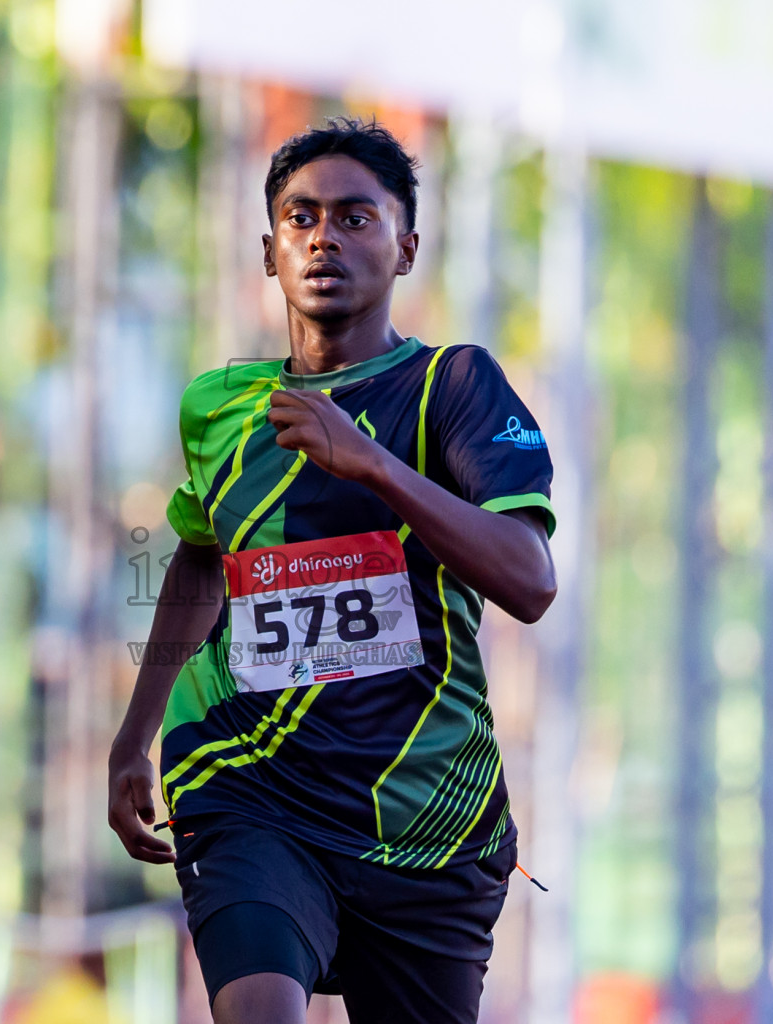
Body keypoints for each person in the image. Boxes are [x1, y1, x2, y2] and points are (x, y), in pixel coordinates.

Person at [107, 117, 558, 1024]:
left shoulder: (453, 388)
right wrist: (136, 733)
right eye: (300, 217)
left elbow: (531, 580)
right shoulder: (219, 406)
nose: (324, 237)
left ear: (405, 248)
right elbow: (201, 564)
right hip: (251, 784)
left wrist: (376, 467)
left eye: (357, 218)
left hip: (425, 815)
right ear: (269, 250)